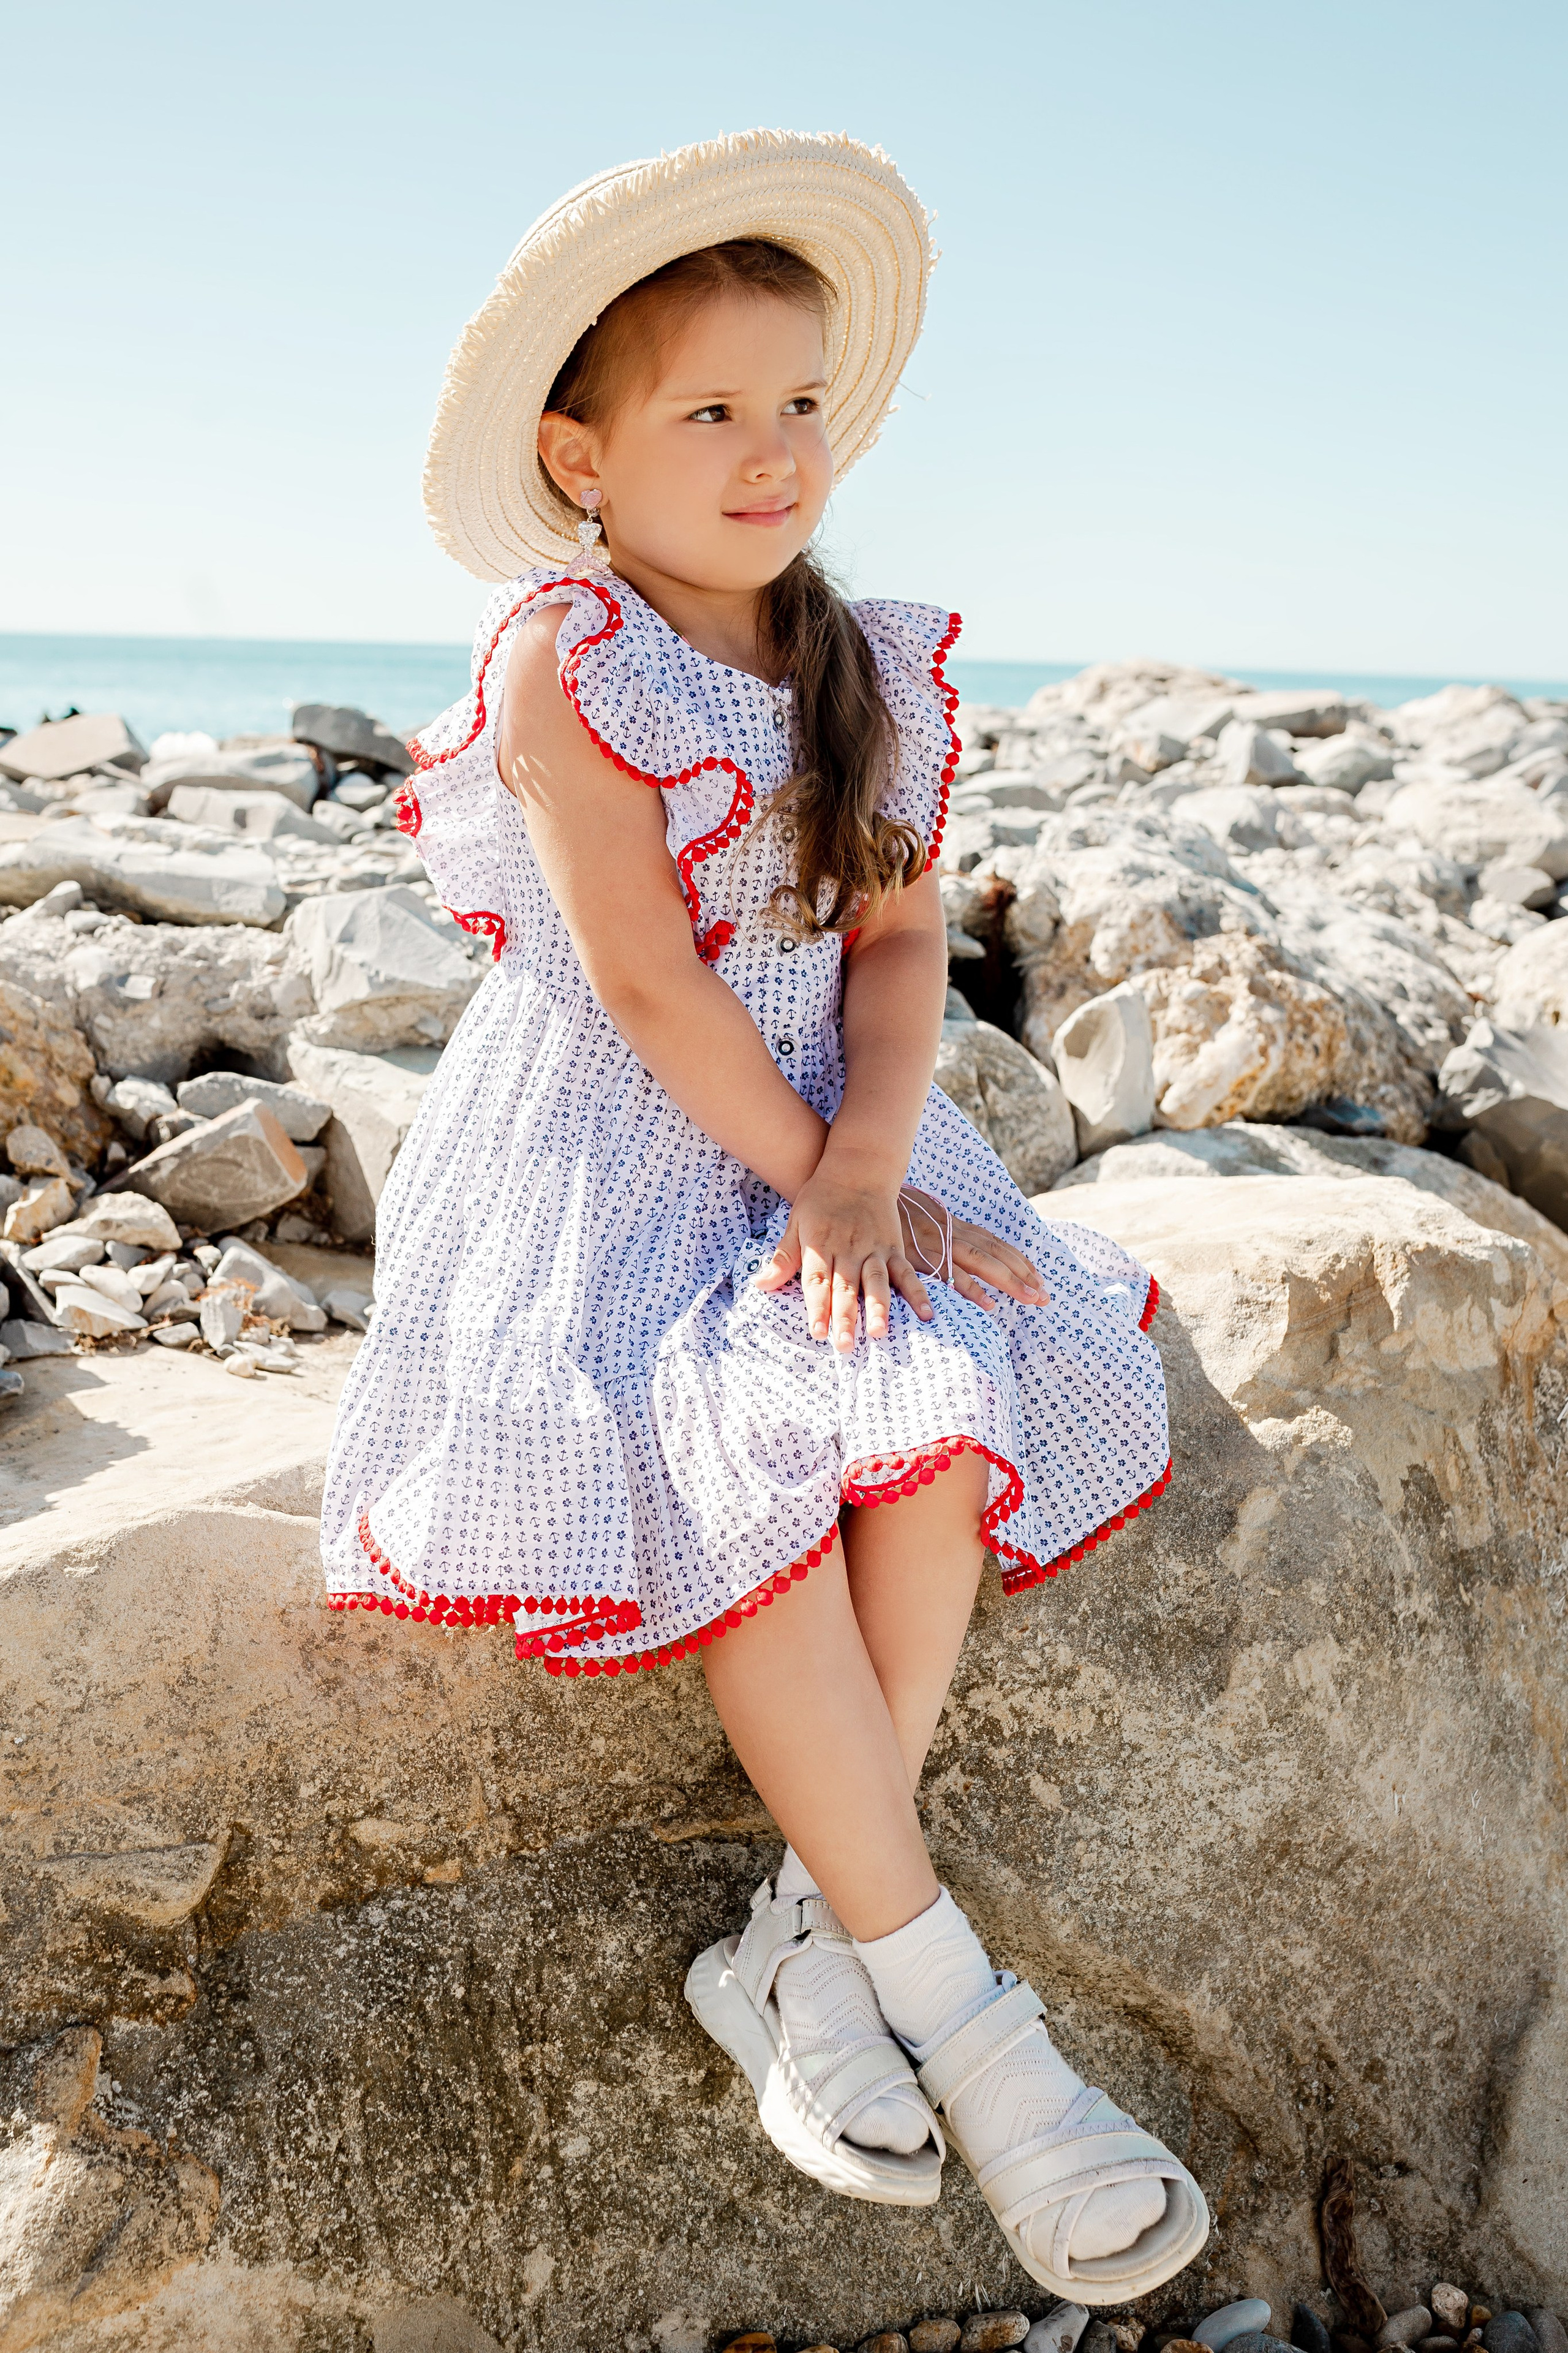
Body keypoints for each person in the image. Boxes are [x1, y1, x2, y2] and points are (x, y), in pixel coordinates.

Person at [321, 130, 1204, 2302]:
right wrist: (819, 1179)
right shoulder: (571, 654)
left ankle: (809, 1937)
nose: (772, 448)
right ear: (582, 455)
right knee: (744, 1472)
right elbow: (643, 984)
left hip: (833, 1130)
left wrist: (872, 1169)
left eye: (801, 401)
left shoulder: (862, 660)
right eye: (708, 407)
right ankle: (974, 2027)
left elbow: (893, 948)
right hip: (613, 1152)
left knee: (929, 1415)